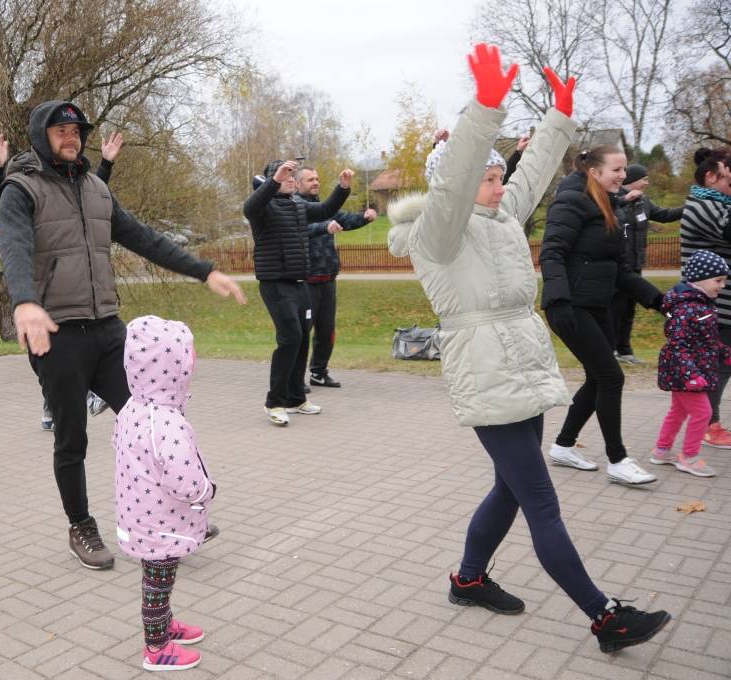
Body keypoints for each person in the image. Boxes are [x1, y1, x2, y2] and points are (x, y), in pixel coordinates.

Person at [388, 43, 670, 653]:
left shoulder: (499, 217)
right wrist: (484, 110)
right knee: (539, 496)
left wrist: (558, 121)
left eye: (498, 177)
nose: (496, 186)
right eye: (485, 179)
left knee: (510, 488)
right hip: (486, 373)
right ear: (457, 185)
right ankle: (604, 617)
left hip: (523, 365)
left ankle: (467, 579)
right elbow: (458, 181)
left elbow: (533, 173)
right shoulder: (439, 232)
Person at [0, 100, 244, 570]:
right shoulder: (20, 189)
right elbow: (13, 246)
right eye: (60, 130)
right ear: (39, 134)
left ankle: (164, 515)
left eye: (77, 130)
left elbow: (144, 238)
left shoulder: (95, 189)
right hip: (56, 333)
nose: (71, 137)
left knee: (148, 419)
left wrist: (203, 271)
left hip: (109, 329)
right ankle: (80, 526)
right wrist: (24, 301)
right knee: (72, 438)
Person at [539, 145, 665, 485]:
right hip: (571, 306)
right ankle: (618, 459)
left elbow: (620, 270)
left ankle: (564, 446)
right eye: (617, 170)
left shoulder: (608, 205)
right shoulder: (570, 203)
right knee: (611, 377)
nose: (623, 176)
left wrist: (659, 301)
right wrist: (558, 299)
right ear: (594, 171)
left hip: (598, 304)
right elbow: (552, 252)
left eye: (624, 170)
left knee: (598, 378)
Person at [0, 132, 119, 429]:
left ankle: (73, 398)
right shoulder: (19, 190)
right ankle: (56, 405)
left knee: (66, 352)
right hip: (36, 284)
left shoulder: (59, 183)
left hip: (69, 290)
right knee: (50, 355)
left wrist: (105, 164)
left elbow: (85, 202)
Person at [113, 315, 215, 672]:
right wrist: (206, 490)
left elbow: (120, 445)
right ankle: (156, 648)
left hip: (141, 515)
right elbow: (183, 479)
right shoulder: (165, 421)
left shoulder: (133, 407)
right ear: (171, 367)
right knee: (157, 584)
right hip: (161, 522)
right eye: (187, 356)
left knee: (158, 580)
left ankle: (164, 625)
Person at [244, 158, 353, 426]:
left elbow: (326, 208)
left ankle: (295, 399)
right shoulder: (263, 207)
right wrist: (275, 180)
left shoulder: (297, 205)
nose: (292, 179)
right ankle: (275, 402)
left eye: (293, 175)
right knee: (290, 336)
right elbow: (250, 206)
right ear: (274, 179)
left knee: (303, 338)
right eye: (287, 175)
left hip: (299, 282)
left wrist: (342, 188)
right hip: (275, 283)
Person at [294, 167, 377, 388]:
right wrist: (323, 227)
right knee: (302, 332)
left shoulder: (323, 206)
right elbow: (300, 229)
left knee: (327, 331)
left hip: (327, 279)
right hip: (306, 282)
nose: (315, 182)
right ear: (298, 183)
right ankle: (295, 379)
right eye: (310, 179)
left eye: (317, 179)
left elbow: (344, 219)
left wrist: (364, 218)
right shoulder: (293, 206)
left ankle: (318, 372)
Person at [650, 249, 729, 478]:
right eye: (718, 280)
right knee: (703, 413)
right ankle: (689, 457)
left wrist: (725, 353)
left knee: (678, 411)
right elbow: (677, 346)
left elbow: (708, 340)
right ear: (700, 279)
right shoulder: (686, 307)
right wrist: (691, 375)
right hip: (685, 373)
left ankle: (661, 451)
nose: (722, 286)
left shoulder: (701, 303)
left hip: (689, 371)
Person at [679, 147, 731, 449]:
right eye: (728, 180)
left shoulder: (717, 203)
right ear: (711, 176)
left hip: (721, 301)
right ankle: (709, 425)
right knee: (719, 364)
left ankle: (703, 419)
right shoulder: (701, 206)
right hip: (712, 304)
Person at [612, 164, 684, 365]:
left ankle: (624, 350)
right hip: (617, 267)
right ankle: (608, 350)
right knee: (613, 309)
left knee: (628, 310)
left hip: (635, 266)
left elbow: (665, 215)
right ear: (631, 180)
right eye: (643, 178)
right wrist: (625, 201)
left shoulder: (644, 201)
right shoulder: (614, 200)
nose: (646, 182)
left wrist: (690, 207)